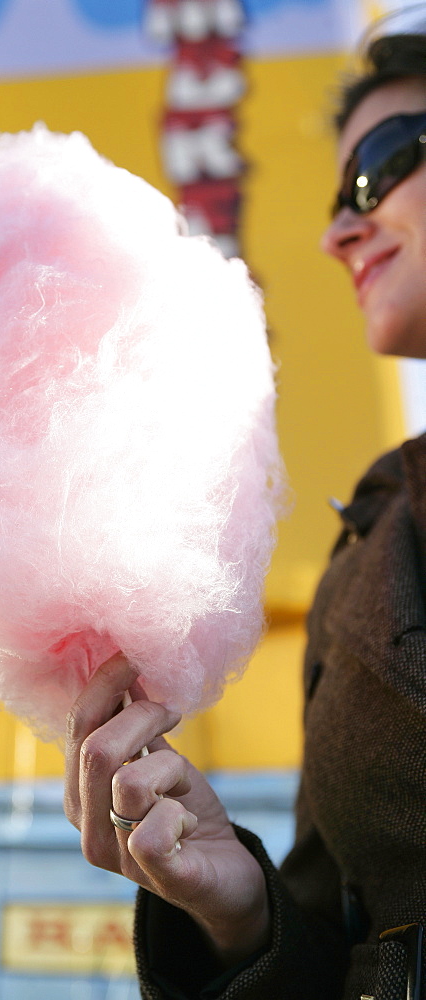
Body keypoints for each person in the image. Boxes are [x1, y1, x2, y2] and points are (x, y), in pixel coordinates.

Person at [63, 20, 426, 1000]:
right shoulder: (369, 550)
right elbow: (350, 942)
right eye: (332, 197)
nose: (335, 230)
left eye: (380, 167)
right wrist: (241, 914)